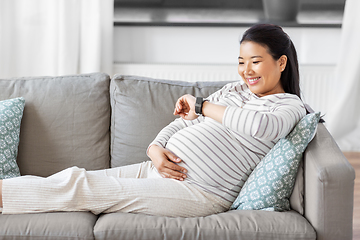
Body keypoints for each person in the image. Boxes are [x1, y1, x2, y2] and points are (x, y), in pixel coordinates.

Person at [0, 24, 306, 217]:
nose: (246, 71)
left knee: (83, 186)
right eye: (241, 62)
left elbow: (259, 127)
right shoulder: (234, 90)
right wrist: (156, 148)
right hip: (159, 170)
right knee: (79, 176)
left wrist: (202, 105)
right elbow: (186, 122)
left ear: (280, 63)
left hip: (199, 191)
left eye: (255, 62)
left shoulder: (288, 105)